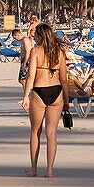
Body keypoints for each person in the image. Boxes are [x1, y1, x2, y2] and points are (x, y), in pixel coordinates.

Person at [20, 23, 68, 178]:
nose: (34, 38)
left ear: (41, 36)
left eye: (36, 36)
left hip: (40, 91)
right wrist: (66, 98)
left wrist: (25, 96)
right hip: (56, 91)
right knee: (51, 133)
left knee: (35, 131)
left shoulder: (36, 51)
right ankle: (49, 170)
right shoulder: (59, 52)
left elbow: (31, 76)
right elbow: (64, 79)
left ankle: (34, 169)